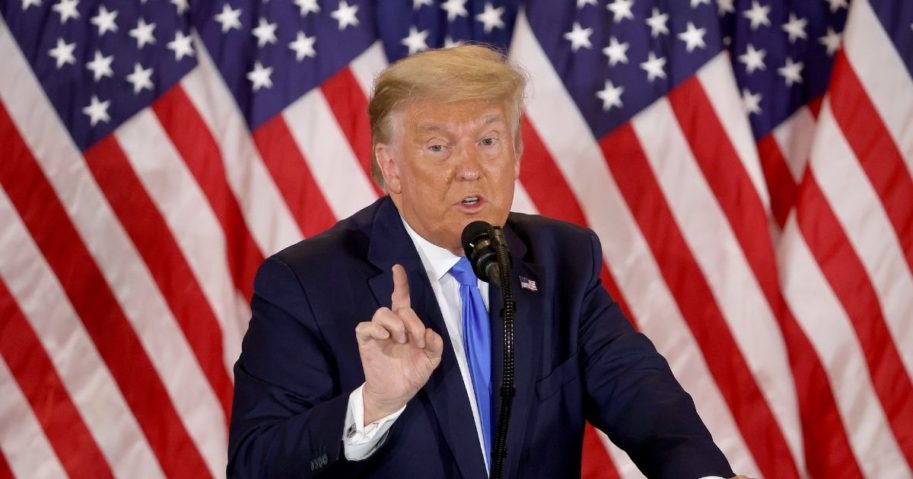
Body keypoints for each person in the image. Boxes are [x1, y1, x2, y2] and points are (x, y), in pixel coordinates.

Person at [228, 44, 739, 478]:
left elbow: (649, 407)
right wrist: (372, 406)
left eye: (489, 141)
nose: (470, 169)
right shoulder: (305, 283)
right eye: (438, 146)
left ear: (516, 153)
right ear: (391, 167)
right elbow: (254, 464)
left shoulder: (563, 260)